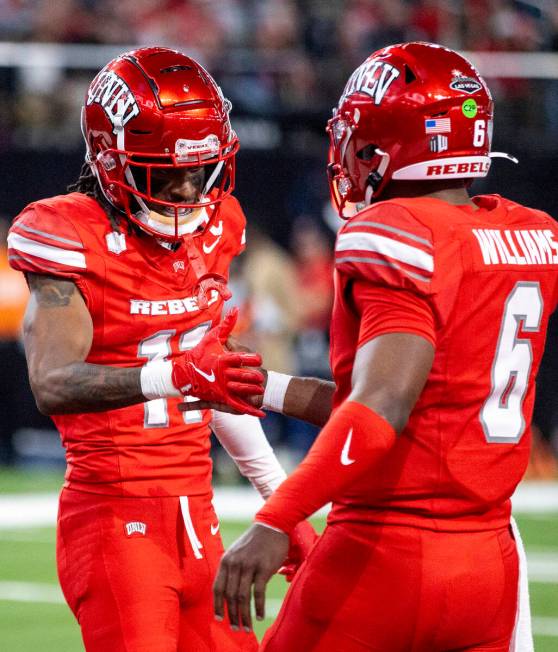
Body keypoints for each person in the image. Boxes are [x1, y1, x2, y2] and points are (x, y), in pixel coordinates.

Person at [212, 42, 555, 651]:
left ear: (385, 148)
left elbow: (381, 410)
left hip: (385, 555)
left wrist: (275, 518)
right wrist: (265, 387)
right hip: (488, 565)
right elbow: (422, 404)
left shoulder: (396, 231)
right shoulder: (530, 234)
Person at [6, 46, 315, 652]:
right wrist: (172, 375)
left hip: (197, 513)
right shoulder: (67, 232)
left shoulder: (219, 225)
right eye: (161, 170)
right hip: (115, 517)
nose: (185, 187)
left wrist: (281, 504)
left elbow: (216, 381)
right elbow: (53, 382)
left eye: (197, 170)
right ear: (111, 161)